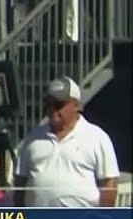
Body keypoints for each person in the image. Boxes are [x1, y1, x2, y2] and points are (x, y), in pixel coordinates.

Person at [14, 76, 120, 207]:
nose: (53, 110)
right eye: (49, 104)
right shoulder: (33, 138)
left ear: (76, 105)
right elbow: (20, 182)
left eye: (58, 105)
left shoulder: (97, 137)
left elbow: (108, 183)